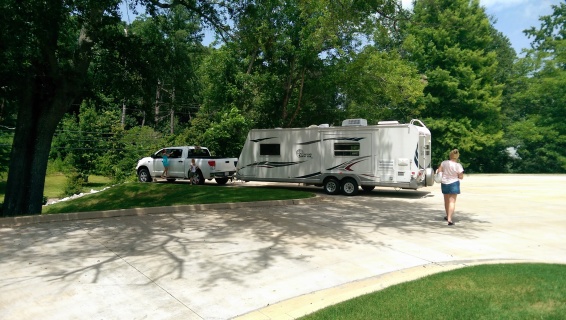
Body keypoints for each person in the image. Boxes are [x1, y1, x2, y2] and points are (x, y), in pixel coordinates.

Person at [437, 149, 464, 226]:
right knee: (452, 202)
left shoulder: (444, 163)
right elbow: (461, 177)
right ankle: (449, 219)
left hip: (444, 183)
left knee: (446, 201)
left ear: (450, 155)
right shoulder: (458, 165)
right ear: (457, 157)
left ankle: (447, 215)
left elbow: (439, 171)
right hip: (454, 183)